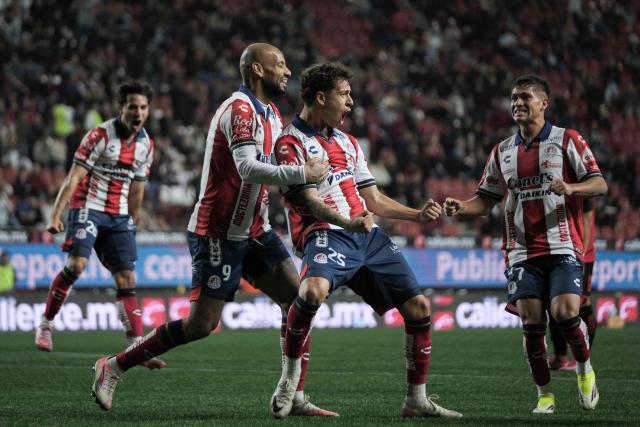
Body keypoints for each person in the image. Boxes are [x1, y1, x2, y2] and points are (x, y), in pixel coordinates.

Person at [90, 43, 335, 415]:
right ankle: (114, 365)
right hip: (217, 233)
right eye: (280, 64)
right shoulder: (239, 109)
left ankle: (294, 395)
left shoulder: (270, 113)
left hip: (256, 231)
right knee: (200, 325)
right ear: (256, 70)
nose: (287, 71)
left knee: (299, 302)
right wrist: (302, 173)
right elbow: (248, 169)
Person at [269, 62, 461, 419]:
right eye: (344, 95)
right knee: (310, 292)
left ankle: (416, 400)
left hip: (368, 238)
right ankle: (290, 381)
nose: (351, 102)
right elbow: (309, 203)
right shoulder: (289, 143)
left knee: (419, 309)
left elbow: (373, 200)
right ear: (321, 97)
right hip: (326, 233)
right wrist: (347, 222)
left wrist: (416, 214)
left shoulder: (347, 141)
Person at [444, 75, 606, 414]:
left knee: (565, 313)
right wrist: (462, 206)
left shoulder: (567, 140)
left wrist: (572, 189)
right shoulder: (502, 151)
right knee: (531, 324)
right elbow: (484, 200)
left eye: (525, 97)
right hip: (520, 251)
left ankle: (584, 368)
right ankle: (545, 395)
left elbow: (599, 183)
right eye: (514, 98)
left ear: (543, 103)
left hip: (562, 246)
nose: (517, 103)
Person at [34, 80, 165, 369]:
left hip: (118, 216)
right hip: (88, 207)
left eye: (143, 107)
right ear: (121, 108)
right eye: (133, 106)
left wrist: (134, 218)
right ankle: (46, 324)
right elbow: (73, 178)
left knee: (126, 279)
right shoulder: (99, 136)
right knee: (76, 265)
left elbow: (138, 187)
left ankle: (136, 347)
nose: (139, 112)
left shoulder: (146, 145)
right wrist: (55, 214)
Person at [548, 197, 598, 370]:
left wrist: (580, 253)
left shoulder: (579, 179)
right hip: (559, 249)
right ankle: (560, 356)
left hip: (579, 252)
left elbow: (587, 217)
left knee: (583, 301)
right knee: (553, 303)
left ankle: (583, 357)